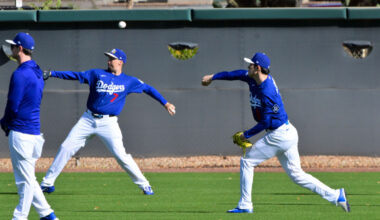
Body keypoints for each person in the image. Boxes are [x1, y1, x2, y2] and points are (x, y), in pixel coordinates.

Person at [201, 52, 350, 213]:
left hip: (279, 135)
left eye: (251, 64)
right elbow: (235, 74)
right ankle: (336, 195)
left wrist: (247, 134)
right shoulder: (253, 77)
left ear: (257, 68)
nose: (248, 66)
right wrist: (213, 77)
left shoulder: (268, 91)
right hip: (286, 131)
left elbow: (266, 122)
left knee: (247, 162)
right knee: (297, 175)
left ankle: (245, 204)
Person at [40, 48, 175, 195]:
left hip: (108, 123)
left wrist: (165, 103)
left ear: (120, 61)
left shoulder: (129, 81)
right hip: (88, 119)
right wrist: (53, 73)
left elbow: (148, 89)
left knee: (121, 156)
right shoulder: (97, 74)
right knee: (66, 147)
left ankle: (145, 185)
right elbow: (75, 75)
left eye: (112, 58)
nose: (109, 61)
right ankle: (47, 183)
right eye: (108, 58)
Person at [0, 32, 59, 220]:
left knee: (24, 181)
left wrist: (4, 123)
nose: (10, 49)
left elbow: (13, 104)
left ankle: (20, 217)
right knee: (29, 179)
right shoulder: (37, 71)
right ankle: (47, 215)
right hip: (33, 135)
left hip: (21, 134)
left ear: (19, 48)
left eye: (13, 46)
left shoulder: (20, 74)